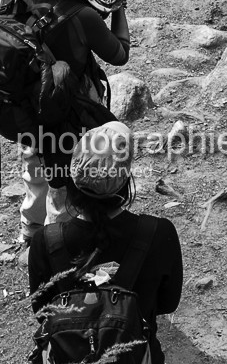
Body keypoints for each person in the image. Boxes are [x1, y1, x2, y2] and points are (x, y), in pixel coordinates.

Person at [9, 0, 131, 246]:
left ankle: (28, 236)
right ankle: (54, 248)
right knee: (64, 186)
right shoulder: (84, 14)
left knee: (34, 171)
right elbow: (119, 54)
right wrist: (117, 3)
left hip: (27, 104)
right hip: (68, 113)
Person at [29, 121, 183, 364]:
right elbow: (167, 303)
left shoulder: (46, 240)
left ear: (73, 178)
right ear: (125, 180)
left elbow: (42, 312)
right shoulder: (158, 233)